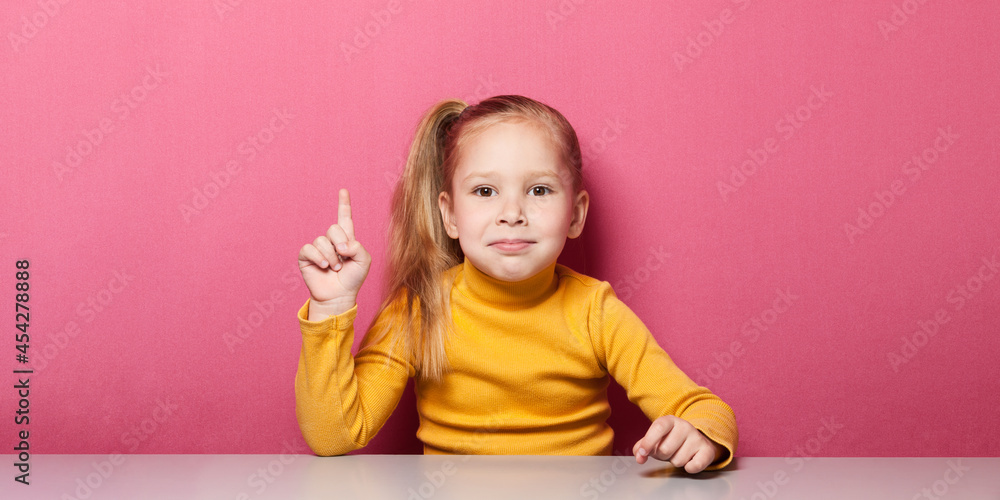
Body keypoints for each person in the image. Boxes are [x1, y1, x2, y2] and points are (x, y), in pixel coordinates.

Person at [294, 95, 737, 473]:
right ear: (449, 215)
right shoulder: (420, 307)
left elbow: (704, 408)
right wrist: (331, 310)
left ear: (577, 214)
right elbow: (335, 435)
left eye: (539, 191)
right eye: (485, 191)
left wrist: (699, 435)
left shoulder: (595, 311)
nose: (512, 213)